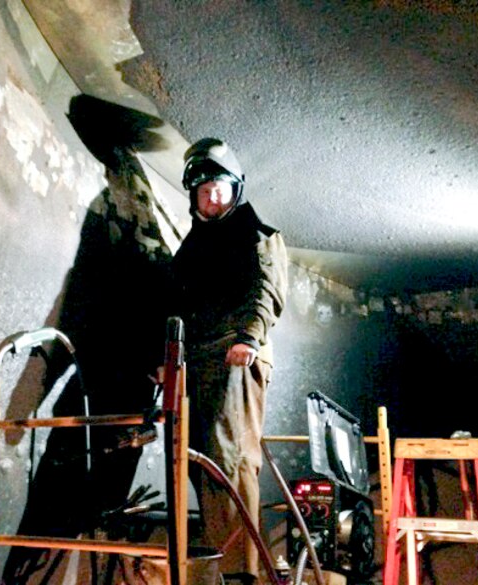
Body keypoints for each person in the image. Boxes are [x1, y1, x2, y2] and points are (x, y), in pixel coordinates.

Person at [172, 137, 288, 584]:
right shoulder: (193, 248)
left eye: (219, 187)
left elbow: (267, 288)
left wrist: (248, 337)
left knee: (232, 458)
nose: (212, 196)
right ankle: (221, 565)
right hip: (197, 359)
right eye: (204, 190)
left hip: (235, 355)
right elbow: (176, 300)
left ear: (235, 187)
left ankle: (243, 574)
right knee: (200, 460)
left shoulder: (254, 233)